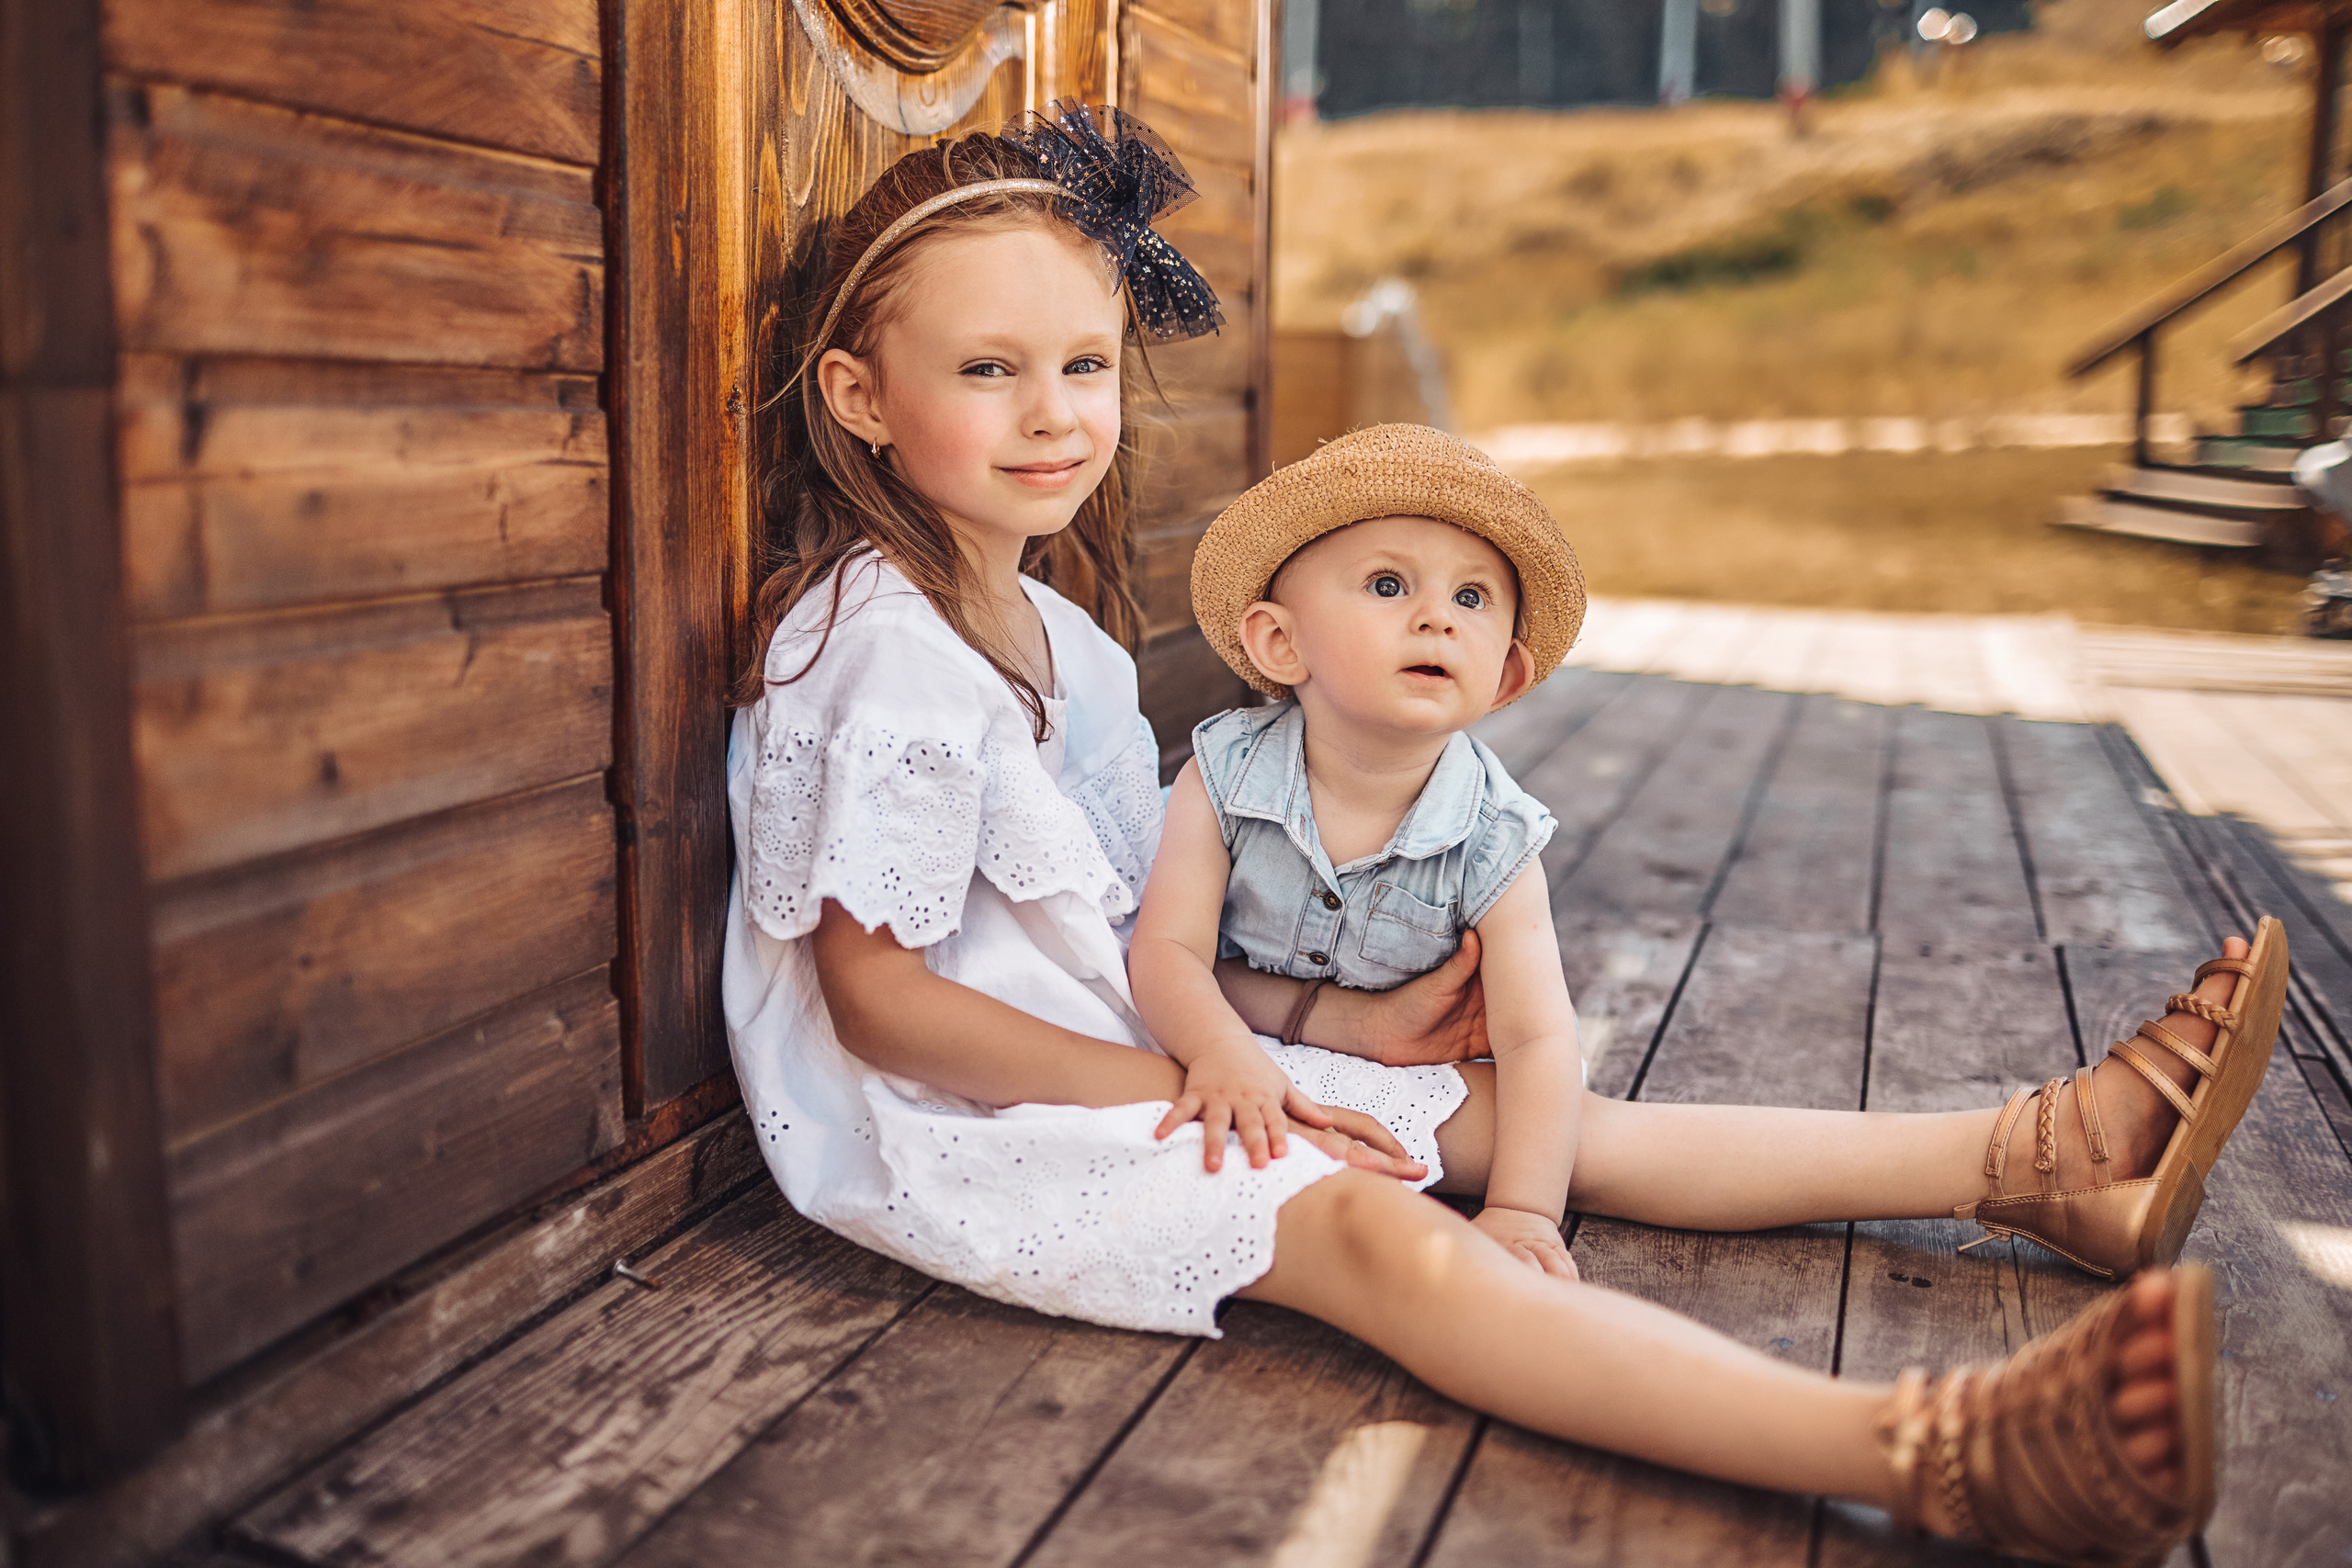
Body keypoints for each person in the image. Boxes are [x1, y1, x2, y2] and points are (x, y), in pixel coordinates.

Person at [721, 102, 2288, 1567]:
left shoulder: (1060, 637)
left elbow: (1119, 935)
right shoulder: (877, 654)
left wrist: (1330, 1026)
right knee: (1376, 1240)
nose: (1054, 415)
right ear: (861, 399)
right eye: (988, 372)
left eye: (1084, 363)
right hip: (965, 1122)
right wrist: (1212, 1079)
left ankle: (2042, 1162)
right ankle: (1921, 1448)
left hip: (1120, 1052)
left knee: (1511, 1110)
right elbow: (886, 1005)